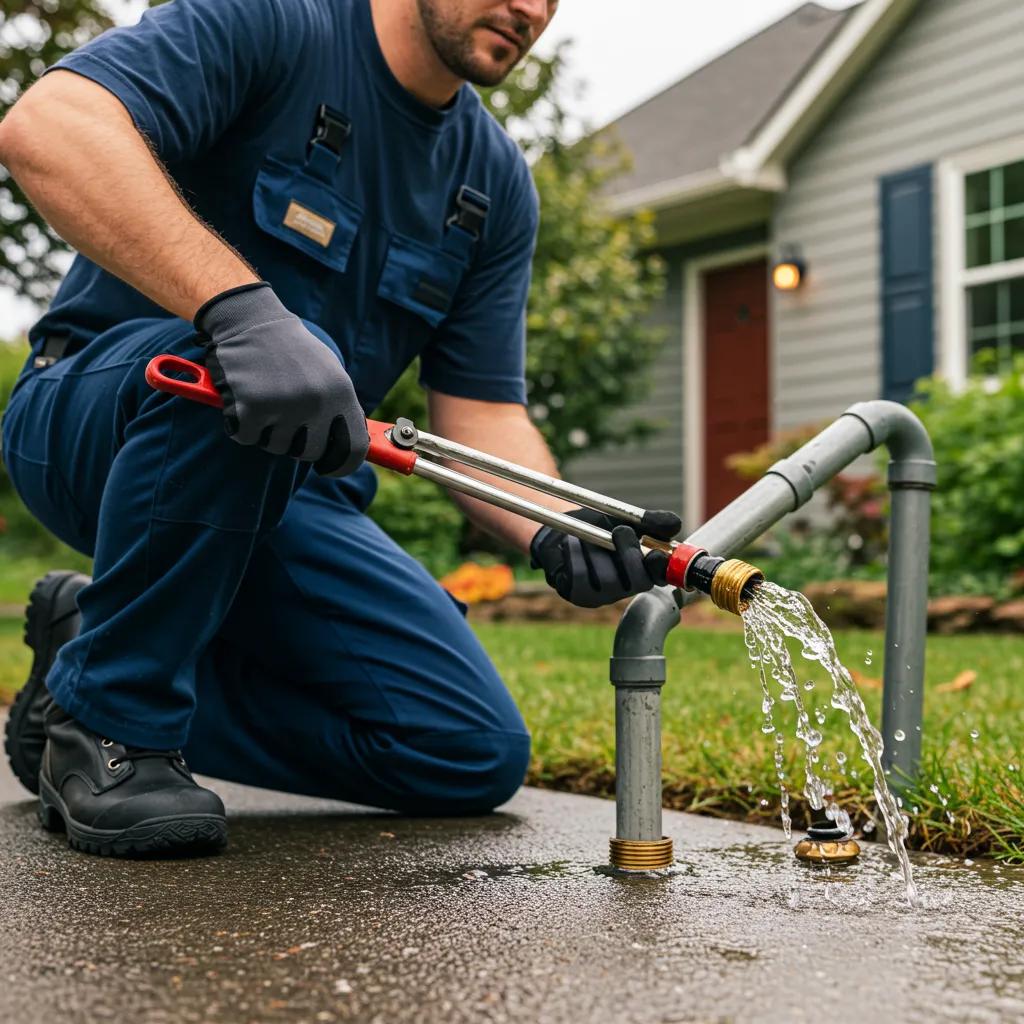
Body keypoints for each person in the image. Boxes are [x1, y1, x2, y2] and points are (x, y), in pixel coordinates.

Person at [0, 0, 680, 858]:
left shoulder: (492, 183)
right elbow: (49, 125)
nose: (531, 10)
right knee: (258, 359)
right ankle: (113, 725)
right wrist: (241, 311)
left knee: (466, 750)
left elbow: (483, 411)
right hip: (96, 417)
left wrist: (556, 523)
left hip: (298, 486)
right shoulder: (272, 24)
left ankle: (81, 665)